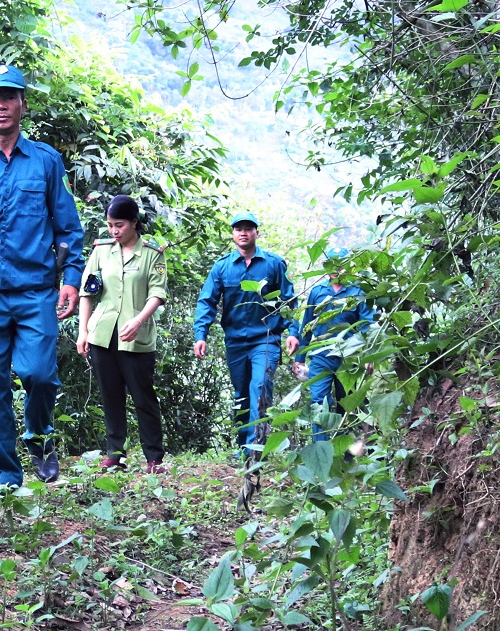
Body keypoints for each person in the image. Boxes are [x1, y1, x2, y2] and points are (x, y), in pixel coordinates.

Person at [0, 64, 85, 493]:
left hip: (35, 291)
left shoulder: (46, 162)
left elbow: (69, 229)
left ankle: (40, 439)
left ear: (22, 103)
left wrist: (70, 278)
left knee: (38, 374)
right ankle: (5, 473)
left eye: (9, 96)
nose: (0, 105)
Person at [75, 195, 169, 473]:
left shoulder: (153, 253)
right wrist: (83, 332)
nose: (114, 231)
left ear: (134, 223)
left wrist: (139, 320)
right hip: (103, 334)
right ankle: (115, 454)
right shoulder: (102, 251)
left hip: (136, 337)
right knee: (110, 396)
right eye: (110, 225)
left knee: (143, 397)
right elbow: (86, 293)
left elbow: (158, 293)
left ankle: (154, 458)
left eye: (119, 225)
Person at [192, 211, 297, 459]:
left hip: (266, 338)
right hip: (236, 342)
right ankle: (243, 447)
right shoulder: (222, 267)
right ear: (233, 234)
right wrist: (201, 335)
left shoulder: (273, 264)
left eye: (248, 228)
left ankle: (254, 450)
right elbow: (207, 302)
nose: (243, 232)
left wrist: (293, 332)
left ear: (256, 233)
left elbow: (290, 300)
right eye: (238, 228)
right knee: (241, 395)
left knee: (260, 387)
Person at [292, 246, 373, 438]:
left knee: (347, 404)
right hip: (321, 356)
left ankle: (344, 455)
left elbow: (367, 325)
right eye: (332, 263)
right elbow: (307, 325)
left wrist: (369, 356)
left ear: (348, 266)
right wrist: (300, 357)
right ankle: (321, 449)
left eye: (341, 263)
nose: (336, 268)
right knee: (319, 402)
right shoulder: (317, 292)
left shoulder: (358, 291)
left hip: (348, 357)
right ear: (326, 267)